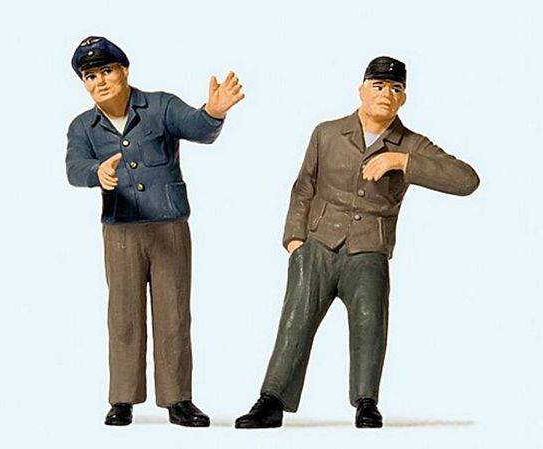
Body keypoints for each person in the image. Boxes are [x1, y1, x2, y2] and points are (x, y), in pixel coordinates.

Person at [234, 56, 479, 429]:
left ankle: (366, 401)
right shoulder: (327, 133)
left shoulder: (411, 143)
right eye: (378, 86)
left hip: (369, 249)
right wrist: (295, 240)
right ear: (361, 90)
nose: (386, 95)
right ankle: (272, 399)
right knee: (295, 319)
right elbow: (304, 186)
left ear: (403, 98)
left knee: (370, 322)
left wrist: (403, 161)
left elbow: (466, 180)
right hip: (318, 244)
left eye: (395, 89)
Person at [65, 36, 244, 427]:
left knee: (173, 313)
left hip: (169, 226)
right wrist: (96, 172)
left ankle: (178, 398)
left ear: (124, 70)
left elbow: (197, 127)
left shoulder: (159, 105)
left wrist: (213, 112)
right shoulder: (82, 126)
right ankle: (123, 397)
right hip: (121, 231)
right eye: (90, 76)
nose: (100, 81)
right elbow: (74, 168)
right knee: (123, 315)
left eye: (107, 71)